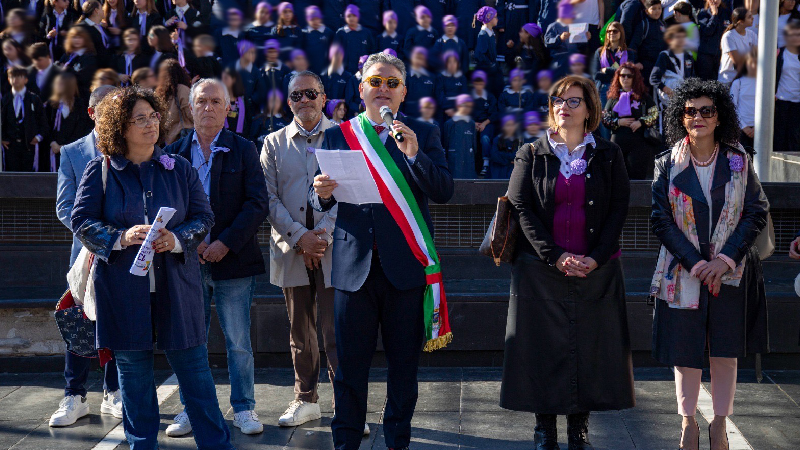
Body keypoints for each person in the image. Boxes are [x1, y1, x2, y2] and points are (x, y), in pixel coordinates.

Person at [70, 85, 232, 450]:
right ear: (119, 128)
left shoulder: (179, 168)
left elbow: (204, 218)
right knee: (134, 376)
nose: (150, 125)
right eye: (139, 119)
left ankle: (217, 446)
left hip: (178, 287)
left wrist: (175, 240)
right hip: (123, 293)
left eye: (153, 116)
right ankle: (141, 445)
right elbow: (81, 222)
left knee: (195, 373)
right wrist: (123, 236)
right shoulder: (102, 170)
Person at [310, 52, 454, 450]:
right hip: (352, 269)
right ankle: (346, 444)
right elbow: (317, 194)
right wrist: (321, 195)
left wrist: (413, 155)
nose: (383, 90)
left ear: (403, 92)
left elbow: (443, 190)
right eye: (376, 82)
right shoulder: (340, 133)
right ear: (362, 90)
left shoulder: (422, 130)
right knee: (349, 372)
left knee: (404, 370)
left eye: (392, 84)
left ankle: (397, 443)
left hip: (405, 270)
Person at [502, 75, 635, 450]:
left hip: (597, 272)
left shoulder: (609, 154)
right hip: (539, 271)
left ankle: (579, 429)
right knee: (541, 351)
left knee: (588, 351)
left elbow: (618, 209)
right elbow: (521, 206)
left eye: (574, 101)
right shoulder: (530, 152)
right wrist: (556, 256)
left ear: (590, 109)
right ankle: (545, 429)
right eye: (558, 100)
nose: (564, 106)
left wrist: (594, 258)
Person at [650, 78, 769, 450]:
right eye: (690, 111)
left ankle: (719, 423)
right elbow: (660, 219)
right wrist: (695, 262)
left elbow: (755, 211)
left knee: (723, 350)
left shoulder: (738, 160)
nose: (698, 117)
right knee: (685, 353)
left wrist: (723, 259)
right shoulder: (668, 163)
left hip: (729, 270)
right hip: (683, 270)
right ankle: (688, 422)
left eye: (707, 110)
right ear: (681, 118)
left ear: (720, 117)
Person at [163, 77, 269, 437]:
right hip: (186, 263)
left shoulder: (244, 149)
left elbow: (257, 204)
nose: (208, 107)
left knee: (238, 341)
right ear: (190, 108)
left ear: (228, 109)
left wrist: (224, 242)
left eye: (216, 102)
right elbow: (168, 210)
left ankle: (244, 407)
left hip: (233, 261)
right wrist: (188, 243)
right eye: (201, 101)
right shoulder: (173, 154)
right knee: (191, 341)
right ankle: (193, 409)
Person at [261, 70, 340, 430]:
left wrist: (321, 236)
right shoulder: (273, 143)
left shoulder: (343, 137)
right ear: (287, 101)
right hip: (291, 249)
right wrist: (300, 237)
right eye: (297, 95)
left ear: (324, 98)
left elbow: (350, 192)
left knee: (337, 330)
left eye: (311, 93)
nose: (304, 100)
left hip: (334, 250)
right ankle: (305, 399)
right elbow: (269, 199)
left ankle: (347, 406)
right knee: (300, 332)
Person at [51, 85, 120, 428]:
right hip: (86, 256)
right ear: (93, 112)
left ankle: (114, 392)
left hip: (123, 254)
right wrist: (99, 239)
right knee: (79, 323)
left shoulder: (132, 146)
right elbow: (65, 207)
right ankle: (74, 395)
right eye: (110, 109)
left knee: (117, 322)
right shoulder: (72, 151)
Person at [603, 62, 659, 179]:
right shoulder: (613, 98)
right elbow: (605, 118)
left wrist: (641, 122)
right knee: (618, 178)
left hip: (639, 144)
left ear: (635, 78)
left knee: (637, 179)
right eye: (622, 75)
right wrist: (618, 122)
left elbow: (654, 114)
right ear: (618, 77)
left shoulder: (643, 97)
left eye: (629, 76)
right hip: (618, 144)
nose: (626, 78)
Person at [1, 66, 48, 172]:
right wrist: (2, 138)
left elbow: (43, 121)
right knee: (11, 174)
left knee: (28, 174)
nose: (15, 79)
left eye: (19, 76)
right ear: (8, 79)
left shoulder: (34, 99)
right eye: (12, 76)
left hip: (29, 145)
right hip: (10, 146)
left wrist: (38, 137)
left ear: (26, 79)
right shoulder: (5, 100)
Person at [44, 72, 92, 172]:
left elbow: (82, 128)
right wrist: (52, 142)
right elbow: (45, 125)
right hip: (54, 150)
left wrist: (66, 146)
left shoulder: (80, 105)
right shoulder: (50, 105)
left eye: (61, 83)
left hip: (73, 150)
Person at [590, 21, 639, 107]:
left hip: (622, 88)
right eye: (609, 31)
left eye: (615, 31)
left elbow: (630, 73)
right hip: (604, 89)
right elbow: (596, 75)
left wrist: (607, 70)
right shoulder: (599, 52)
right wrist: (618, 73)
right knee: (604, 117)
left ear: (621, 33)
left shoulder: (629, 53)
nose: (611, 33)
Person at [650, 25, 696, 107]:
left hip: (685, 100)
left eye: (683, 37)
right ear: (669, 40)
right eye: (678, 37)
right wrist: (666, 89)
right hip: (668, 102)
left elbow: (692, 77)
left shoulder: (689, 55)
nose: (681, 40)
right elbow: (653, 78)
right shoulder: (665, 55)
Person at [774, 20, 800, 155]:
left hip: (798, 102)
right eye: (793, 34)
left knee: (794, 136)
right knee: (780, 134)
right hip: (781, 99)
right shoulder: (780, 53)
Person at [629, 0, 666, 88]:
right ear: (646, 11)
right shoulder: (643, 25)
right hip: (645, 66)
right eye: (653, 9)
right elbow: (633, 45)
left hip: (660, 65)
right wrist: (635, 62)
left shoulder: (663, 25)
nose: (657, 11)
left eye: (659, 8)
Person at [156, 59, 192, 145]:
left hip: (170, 139)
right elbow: (190, 113)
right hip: (185, 137)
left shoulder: (160, 93)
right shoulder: (182, 89)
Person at [718, 7, 756, 84]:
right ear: (740, 22)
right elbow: (737, 61)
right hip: (728, 80)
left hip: (745, 80)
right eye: (749, 17)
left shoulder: (752, 34)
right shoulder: (728, 36)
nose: (753, 18)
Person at [443, 94, 477, 178]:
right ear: (458, 105)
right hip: (454, 159)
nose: (467, 108)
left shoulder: (471, 123)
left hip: (468, 158)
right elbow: (445, 142)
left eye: (469, 106)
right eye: (465, 105)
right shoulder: (449, 123)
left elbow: (474, 143)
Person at [334, 4, 373, 74]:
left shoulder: (366, 33)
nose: (351, 18)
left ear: (358, 17)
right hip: (344, 72)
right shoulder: (340, 33)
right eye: (349, 16)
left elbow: (372, 51)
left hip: (362, 72)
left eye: (354, 16)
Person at [730, 48, 757, 149]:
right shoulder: (738, 83)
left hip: (759, 129)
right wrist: (744, 126)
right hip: (741, 129)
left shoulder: (764, 84)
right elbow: (733, 106)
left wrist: (756, 127)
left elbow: (766, 107)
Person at [473, 6, 503, 96]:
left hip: (492, 72)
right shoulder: (483, 35)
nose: (497, 19)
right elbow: (480, 55)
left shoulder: (490, 33)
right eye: (495, 17)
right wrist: (491, 65)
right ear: (489, 18)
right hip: (487, 73)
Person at [696, 0, 728, 80]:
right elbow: (708, 31)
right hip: (706, 55)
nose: (716, 1)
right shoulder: (703, 13)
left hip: (721, 54)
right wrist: (714, 15)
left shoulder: (726, 13)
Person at [403, 47, 435, 117]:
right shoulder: (405, 77)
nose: (418, 61)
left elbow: (435, 98)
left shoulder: (432, 78)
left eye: (421, 58)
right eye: (417, 58)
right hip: (408, 116)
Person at [301, 5, 334, 74]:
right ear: (307, 20)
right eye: (312, 19)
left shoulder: (328, 32)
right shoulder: (303, 33)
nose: (315, 21)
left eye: (317, 19)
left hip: (325, 68)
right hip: (309, 68)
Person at [487, 114, 520, 179]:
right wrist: (509, 161)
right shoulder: (496, 139)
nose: (510, 127)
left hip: (512, 172)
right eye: (508, 125)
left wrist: (503, 155)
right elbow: (495, 156)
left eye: (512, 125)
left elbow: (517, 155)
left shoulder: (519, 141)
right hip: (497, 172)